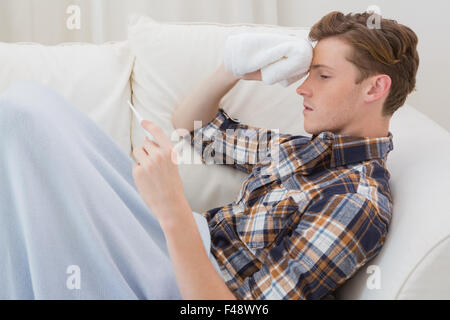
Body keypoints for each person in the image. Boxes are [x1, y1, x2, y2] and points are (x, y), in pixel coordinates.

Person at [0, 10, 419, 300]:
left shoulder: (355, 200)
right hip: (169, 237)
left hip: (177, 276)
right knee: (29, 112)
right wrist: (233, 69)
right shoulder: (304, 147)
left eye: (323, 76)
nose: (302, 89)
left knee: (24, 121)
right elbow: (194, 128)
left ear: (374, 88)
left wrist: (172, 207)